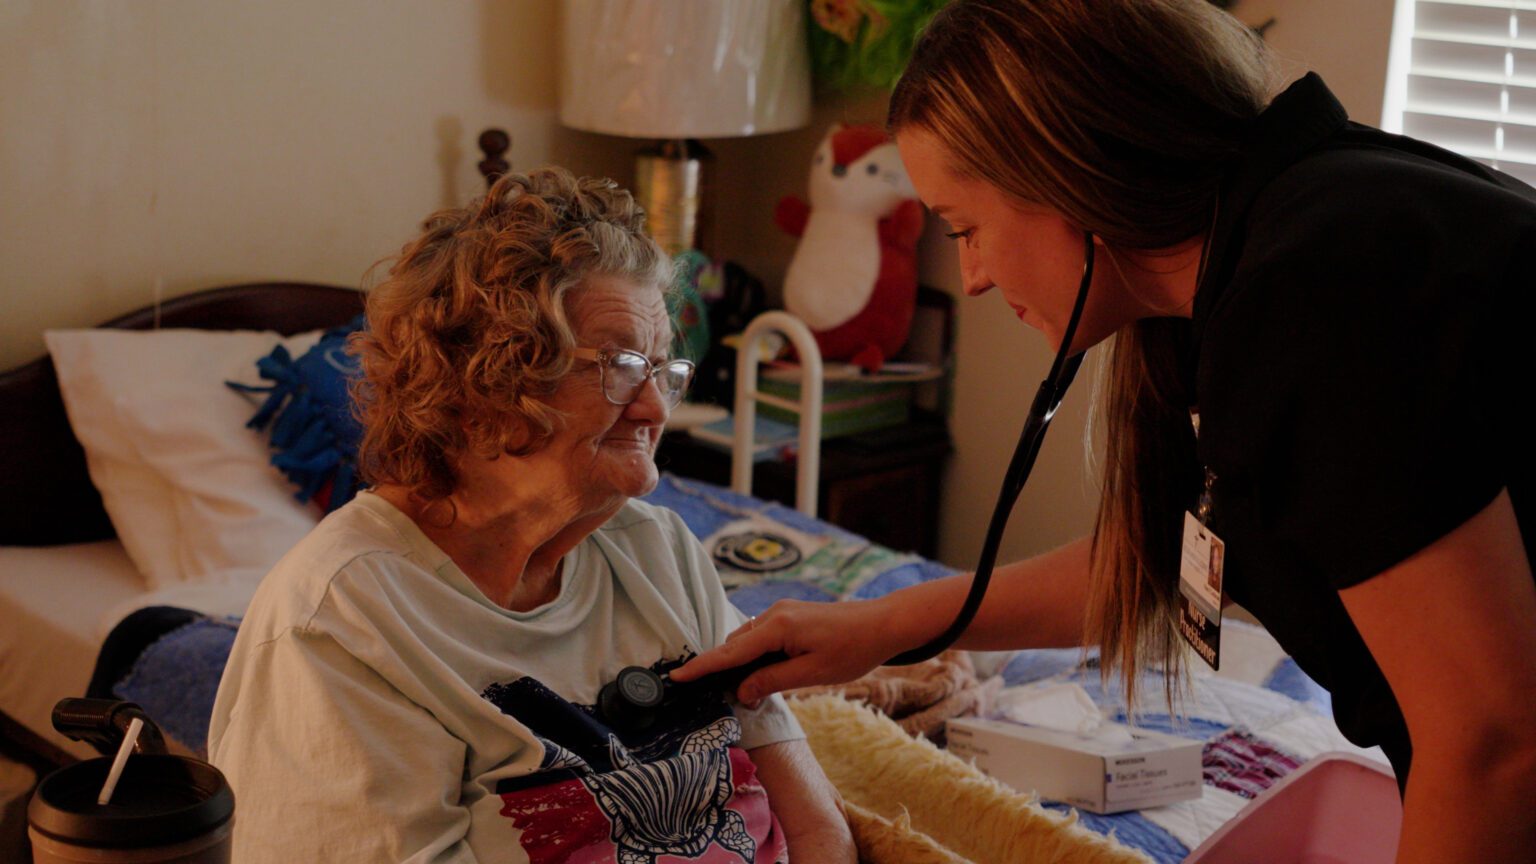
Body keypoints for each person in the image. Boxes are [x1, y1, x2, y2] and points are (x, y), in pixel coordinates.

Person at [673, 1, 1536, 860]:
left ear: (1069, 170)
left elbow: (1492, 744)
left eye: (967, 230)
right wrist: (879, 625)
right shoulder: (1261, 247)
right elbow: (1168, 552)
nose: (969, 277)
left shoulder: (1316, 288)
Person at [208, 168, 855, 863]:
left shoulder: (657, 549)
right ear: (484, 382)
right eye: (620, 365)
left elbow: (818, 828)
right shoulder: (343, 626)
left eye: (663, 371)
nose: (655, 408)